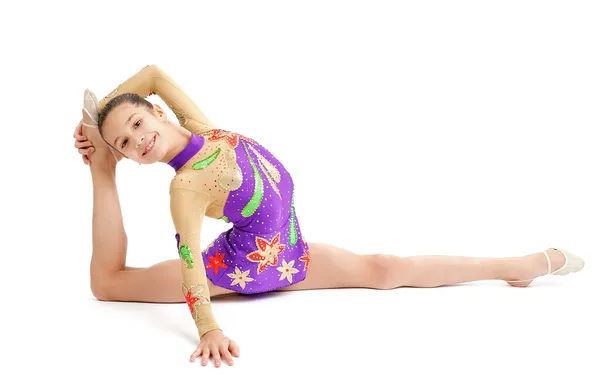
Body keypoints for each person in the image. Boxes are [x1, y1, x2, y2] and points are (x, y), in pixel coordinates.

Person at [73, 64, 585, 368]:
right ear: (132, 158)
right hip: (237, 272)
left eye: (137, 122)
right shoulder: (184, 187)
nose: (137, 139)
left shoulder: (205, 127)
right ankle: (100, 175)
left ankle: (518, 266)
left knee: (388, 268)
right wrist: (208, 327)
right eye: (125, 143)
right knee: (110, 284)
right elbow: (187, 258)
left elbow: (154, 73)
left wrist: (96, 123)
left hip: (292, 257)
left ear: (157, 112)